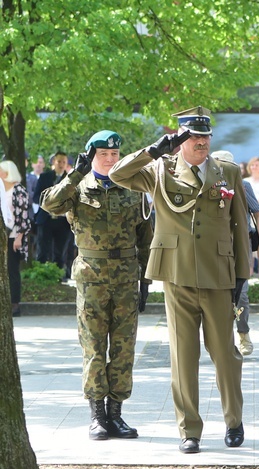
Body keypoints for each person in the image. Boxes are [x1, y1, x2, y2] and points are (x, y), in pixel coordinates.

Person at [110, 106, 259, 454]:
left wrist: (242, 275)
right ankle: (189, 430)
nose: (202, 143)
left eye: (206, 136)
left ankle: (234, 421)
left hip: (219, 275)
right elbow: (119, 173)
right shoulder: (160, 170)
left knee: (225, 354)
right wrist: (154, 149)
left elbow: (240, 226)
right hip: (177, 274)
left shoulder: (228, 172)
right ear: (180, 141)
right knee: (183, 356)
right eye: (194, 137)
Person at [40, 131, 153, 441]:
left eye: (115, 155)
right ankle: (97, 416)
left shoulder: (133, 186)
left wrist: (146, 280)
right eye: (104, 154)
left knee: (124, 347)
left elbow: (146, 235)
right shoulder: (77, 187)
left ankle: (116, 414)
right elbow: (49, 204)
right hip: (91, 277)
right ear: (91, 156)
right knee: (93, 347)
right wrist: (75, 173)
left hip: (126, 275)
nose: (111, 159)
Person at [212, 151, 259, 357]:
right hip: (214, 251)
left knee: (241, 295)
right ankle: (222, 340)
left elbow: (258, 215)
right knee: (216, 297)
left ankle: (243, 333)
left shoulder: (244, 187)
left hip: (239, 249)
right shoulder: (207, 185)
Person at [0, 160, 32, 317]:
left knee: (12, 271)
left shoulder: (19, 190)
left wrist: (20, 237)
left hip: (14, 237)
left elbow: (24, 217)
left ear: (7, 172)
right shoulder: (2, 190)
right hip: (3, 236)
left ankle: (15, 305)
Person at [33, 151, 73, 274]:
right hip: (46, 219)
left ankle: (58, 276)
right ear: (53, 162)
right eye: (59, 161)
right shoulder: (45, 177)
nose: (61, 164)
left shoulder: (70, 179)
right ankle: (41, 275)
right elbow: (36, 197)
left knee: (60, 252)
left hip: (62, 222)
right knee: (42, 250)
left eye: (64, 162)